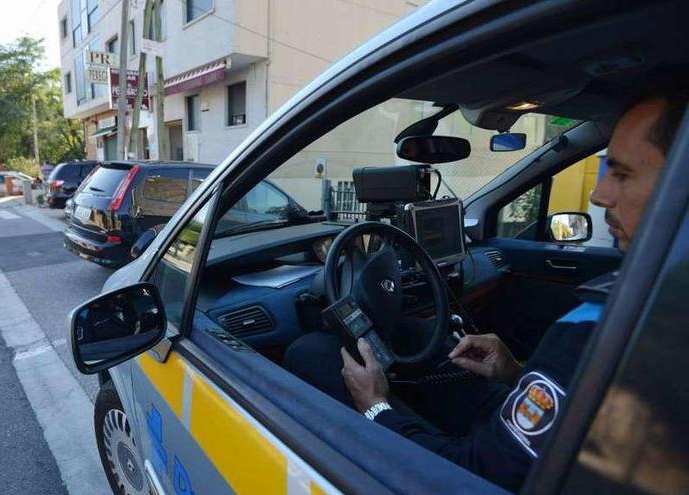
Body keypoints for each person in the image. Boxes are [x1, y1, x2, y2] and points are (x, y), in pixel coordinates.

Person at [285, 89, 687, 491]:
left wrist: (376, 406)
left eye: (622, 173)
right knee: (422, 337)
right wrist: (517, 372)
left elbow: (472, 476)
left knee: (312, 354)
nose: (599, 195)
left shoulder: (597, 330)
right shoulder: (657, 302)